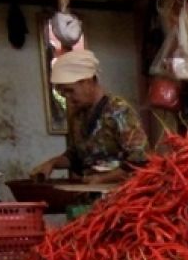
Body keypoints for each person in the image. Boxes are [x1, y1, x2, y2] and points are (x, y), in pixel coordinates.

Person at [30, 49, 149, 184]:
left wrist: (103, 179)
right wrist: (52, 163)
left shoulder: (119, 111)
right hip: (91, 192)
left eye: (70, 91)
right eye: (63, 93)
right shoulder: (78, 116)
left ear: (87, 81)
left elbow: (140, 160)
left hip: (123, 194)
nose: (68, 98)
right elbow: (75, 156)